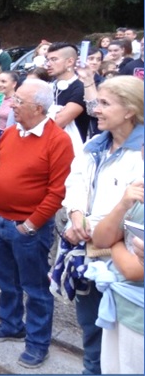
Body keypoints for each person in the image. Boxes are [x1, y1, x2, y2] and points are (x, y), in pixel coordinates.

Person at [0, 79, 74, 370]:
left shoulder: (58, 140)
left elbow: (57, 191)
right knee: (5, 281)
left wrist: (31, 224)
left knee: (34, 288)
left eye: (19, 101)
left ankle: (37, 343)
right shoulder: (8, 133)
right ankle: (10, 324)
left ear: (38, 107)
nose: (12, 105)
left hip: (27, 228)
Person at [61, 76, 144, 374]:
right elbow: (76, 182)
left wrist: (91, 228)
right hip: (91, 255)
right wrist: (75, 214)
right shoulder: (95, 143)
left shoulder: (142, 153)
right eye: (96, 102)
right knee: (91, 328)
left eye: (105, 103)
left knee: (122, 342)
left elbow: (133, 213)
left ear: (130, 110)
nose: (95, 110)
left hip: (123, 265)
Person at [90, 179, 144, 374]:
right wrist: (122, 204)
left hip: (138, 319)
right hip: (118, 308)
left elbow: (133, 270)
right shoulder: (137, 191)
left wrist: (115, 243)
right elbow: (100, 238)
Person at [45, 42, 90, 154]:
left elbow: (58, 122)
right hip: (47, 148)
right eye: (48, 60)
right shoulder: (49, 87)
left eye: (54, 59)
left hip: (70, 151)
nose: (48, 64)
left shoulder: (80, 88)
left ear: (70, 61)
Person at [0, 71, 19, 136]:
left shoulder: (17, 101)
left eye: (3, 81)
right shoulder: (3, 98)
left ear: (14, 84)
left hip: (9, 135)